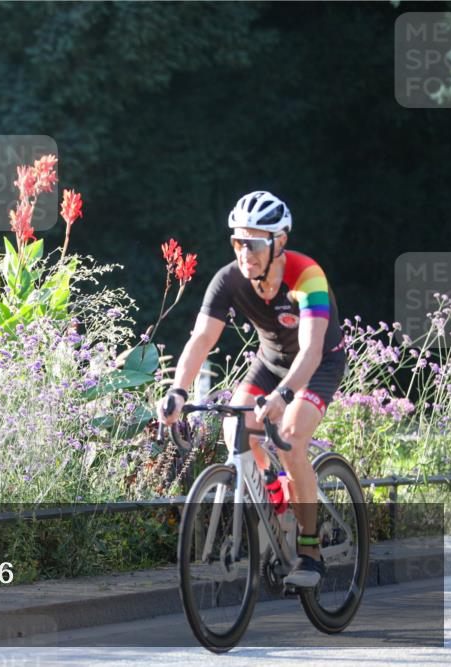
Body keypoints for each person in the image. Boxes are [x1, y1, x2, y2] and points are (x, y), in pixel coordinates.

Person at [156, 190, 346, 587]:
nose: (245, 253)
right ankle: (275, 494)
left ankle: (310, 551)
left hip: (318, 365)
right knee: (235, 430)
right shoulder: (228, 279)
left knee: (291, 437)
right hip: (271, 362)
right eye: (238, 242)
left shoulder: (306, 276)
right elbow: (201, 339)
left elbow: (311, 350)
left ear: (279, 243)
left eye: (255, 243)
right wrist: (178, 390)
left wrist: (283, 397)